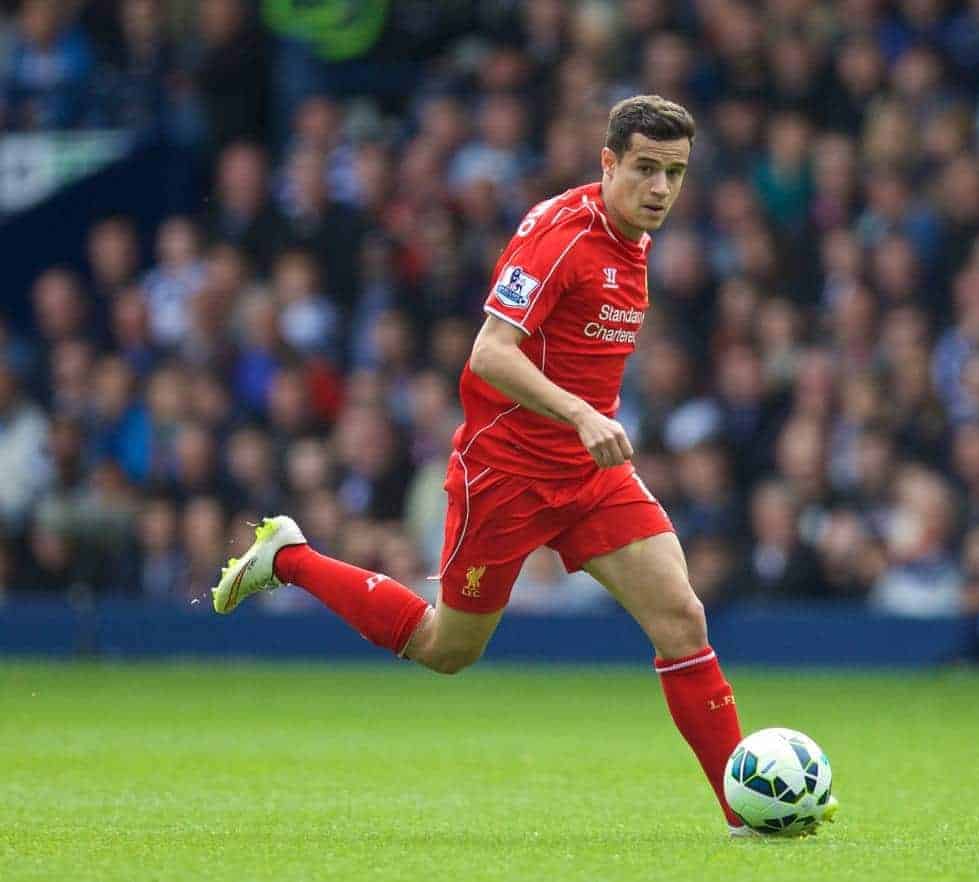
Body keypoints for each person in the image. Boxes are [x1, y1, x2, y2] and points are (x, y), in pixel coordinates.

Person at [210, 96, 835, 837]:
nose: (661, 189)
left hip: (590, 473)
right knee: (448, 649)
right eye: (645, 169)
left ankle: (747, 812)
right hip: (505, 473)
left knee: (682, 619)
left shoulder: (635, 235)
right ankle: (291, 558)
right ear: (608, 164)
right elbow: (489, 353)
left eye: (674, 173)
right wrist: (579, 412)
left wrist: (584, 426)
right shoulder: (561, 236)